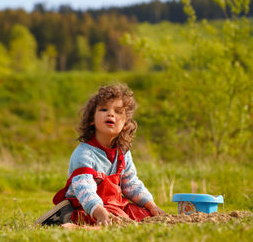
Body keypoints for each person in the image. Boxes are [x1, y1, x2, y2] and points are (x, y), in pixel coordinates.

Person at [36, 83, 164, 226]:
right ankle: (73, 224)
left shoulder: (123, 153)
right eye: (104, 109)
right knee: (114, 218)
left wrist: (151, 206)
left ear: (126, 124)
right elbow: (85, 189)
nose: (111, 114)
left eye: (118, 111)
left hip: (115, 205)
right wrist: (99, 211)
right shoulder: (84, 154)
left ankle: (110, 222)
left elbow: (131, 184)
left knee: (142, 214)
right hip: (87, 207)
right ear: (92, 119)